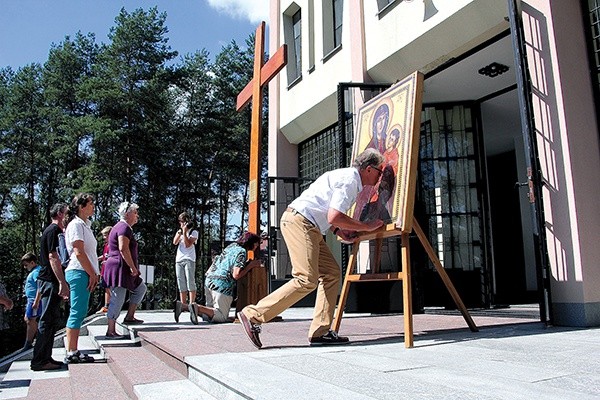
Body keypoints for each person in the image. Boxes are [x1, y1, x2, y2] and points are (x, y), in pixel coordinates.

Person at [238, 148, 386, 349]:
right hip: (302, 222)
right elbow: (334, 215)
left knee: (331, 273)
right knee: (305, 279)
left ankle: (321, 332)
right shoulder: (351, 180)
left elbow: (325, 209)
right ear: (369, 169)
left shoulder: (344, 176)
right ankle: (253, 315)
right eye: (380, 170)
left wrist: (337, 231)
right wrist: (366, 226)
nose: (381, 175)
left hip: (308, 224)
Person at [183, 232, 262, 325]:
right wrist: (251, 265)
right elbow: (236, 275)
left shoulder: (231, 246)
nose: (256, 247)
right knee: (220, 317)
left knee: (208, 316)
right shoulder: (242, 252)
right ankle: (196, 307)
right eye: (256, 244)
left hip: (209, 279)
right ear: (251, 243)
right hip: (222, 284)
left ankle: (183, 307)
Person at [31, 203, 69, 371]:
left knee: (51, 320)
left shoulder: (52, 231)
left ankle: (45, 358)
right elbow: (53, 257)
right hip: (50, 281)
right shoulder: (53, 231)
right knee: (47, 321)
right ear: (60, 214)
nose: (69, 216)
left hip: (48, 281)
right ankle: (40, 361)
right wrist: (62, 282)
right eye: (67, 213)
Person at [63, 193, 100, 363]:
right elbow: (78, 252)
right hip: (79, 272)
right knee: (77, 312)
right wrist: (92, 273)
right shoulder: (76, 225)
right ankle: (72, 351)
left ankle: (73, 349)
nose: (94, 206)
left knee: (80, 311)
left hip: (84, 272)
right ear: (82, 206)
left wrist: (94, 271)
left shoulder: (85, 225)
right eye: (91, 203)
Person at [102, 201, 147, 338]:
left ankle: (130, 316)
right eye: (135, 212)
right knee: (118, 298)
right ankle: (110, 330)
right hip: (119, 268)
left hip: (122, 268)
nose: (137, 215)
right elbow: (123, 248)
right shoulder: (123, 228)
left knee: (140, 288)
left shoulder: (121, 227)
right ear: (127, 214)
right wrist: (132, 267)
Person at [172, 212, 198, 322]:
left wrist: (185, 232)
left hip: (189, 258)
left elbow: (188, 244)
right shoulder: (180, 231)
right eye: (180, 222)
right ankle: (183, 305)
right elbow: (174, 242)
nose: (181, 224)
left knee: (190, 281)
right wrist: (180, 232)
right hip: (179, 259)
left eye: (183, 222)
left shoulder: (194, 232)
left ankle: (192, 304)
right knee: (180, 281)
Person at [21, 252, 42, 350]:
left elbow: (40, 286)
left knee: (30, 319)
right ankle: (37, 337)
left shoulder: (36, 272)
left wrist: (36, 301)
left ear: (32, 262)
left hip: (34, 299)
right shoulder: (34, 272)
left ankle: (28, 342)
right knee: (28, 319)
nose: (25, 267)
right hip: (31, 299)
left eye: (26, 265)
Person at [97, 226, 112, 313]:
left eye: (106, 235)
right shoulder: (106, 245)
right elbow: (105, 255)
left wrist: (107, 261)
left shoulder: (113, 245)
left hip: (109, 270)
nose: (104, 237)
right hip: (104, 270)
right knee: (106, 287)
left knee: (109, 288)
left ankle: (109, 305)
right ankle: (107, 305)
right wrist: (97, 259)